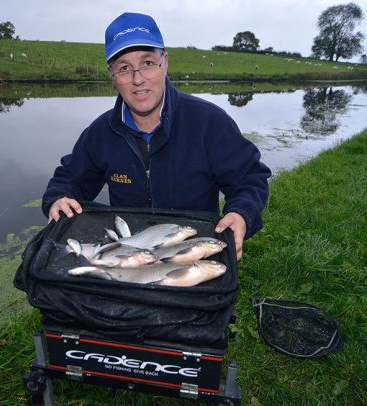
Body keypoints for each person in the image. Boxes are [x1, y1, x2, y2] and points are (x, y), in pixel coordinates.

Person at [42, 12, 271, 260]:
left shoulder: (210, 123)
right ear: (112, 75)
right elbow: (70, 178)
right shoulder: (100, 133)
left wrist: (241, 213)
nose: (138, 79)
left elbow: (249, 177)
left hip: (191, 254)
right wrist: (59, 198)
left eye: (148, 63)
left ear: (165, 63)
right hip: (129, 256)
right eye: (124, 68)